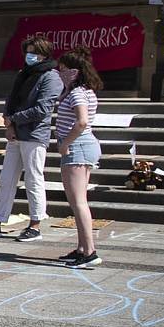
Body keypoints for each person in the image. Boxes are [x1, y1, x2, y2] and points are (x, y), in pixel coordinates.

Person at [0, 36, 62, 241]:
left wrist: (14, 119)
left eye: (34, 52)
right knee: (7, 179)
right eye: (28, 52)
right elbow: (12, 99)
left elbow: (42, 109)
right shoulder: (24, 74)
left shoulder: (50, 77)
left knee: (33, 179)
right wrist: (8, 120)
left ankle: (36, 223)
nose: (30, 56)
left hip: (34, 134)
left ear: (44, 54)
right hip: (17, 133)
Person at [55, 47, 103, 268]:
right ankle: (82, 247)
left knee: (79, 202)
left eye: (62, 69)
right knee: (77, 202)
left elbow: (82, 121)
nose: (58, 73)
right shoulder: (82, 90)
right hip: (82, 146)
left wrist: (66, 143)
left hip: (78, 148)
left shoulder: (77, 93)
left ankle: (90, 251)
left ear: (74, 72)